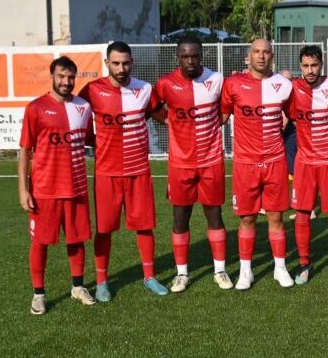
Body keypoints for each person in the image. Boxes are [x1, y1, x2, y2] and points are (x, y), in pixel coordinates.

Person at [79, 42, 167, 301]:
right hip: (107, 172)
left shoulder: (144, 89)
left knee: (145, 226)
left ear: (132, 63)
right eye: (116, 63)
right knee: (104, 229)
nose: (121, 68)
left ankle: (149, 277)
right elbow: (75, 115)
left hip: (138, 170)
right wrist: (93, 140)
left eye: (125, 63)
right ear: (107, 63)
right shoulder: (92, 90)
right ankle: (102, 282)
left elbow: (164, 116)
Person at [18, 56, 96, 314]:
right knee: (40, 242)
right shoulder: (36, 108)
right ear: (52, 76)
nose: (66, 82)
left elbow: (92, 139)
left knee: (77, 239)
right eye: (61, 76)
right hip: (45, 189)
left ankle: (78, 287)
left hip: (76, 187)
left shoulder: (83, 106)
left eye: (71, 77)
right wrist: (23, 189)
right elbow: (25, 150)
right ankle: (38, 294)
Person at [153, 40, 232, 292]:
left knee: (215, 215)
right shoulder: (166, 83)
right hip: (180, 163)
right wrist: (169, 121)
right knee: (180, 218)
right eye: (185, 56)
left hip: (211, 161)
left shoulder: (216, 80)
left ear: (201, 56)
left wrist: (212, 124)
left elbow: (225, 110)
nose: (190, 61)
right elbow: (152, 107)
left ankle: (220, 270)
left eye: (194, 56)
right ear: (178, 57)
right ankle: (182, 274)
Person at [220, 39, 294, 290]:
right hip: (245, 163)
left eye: (266, 52)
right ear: (248, 56)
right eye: (256, 52)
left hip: (275, 161)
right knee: (247, 219)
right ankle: (246, 271)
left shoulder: (284, 85)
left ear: (272, 56)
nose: (261, 56)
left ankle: (280, 268)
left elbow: (296, 115)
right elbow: (220, 116)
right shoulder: (233, 84)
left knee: (276, 216)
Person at [286, 45, 328, 284]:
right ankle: (304, 263)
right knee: (302, 213)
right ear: (300, 67)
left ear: (321, 65)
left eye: (314, 65)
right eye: (305, 66)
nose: (310, 70)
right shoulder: (292, 88)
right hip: (305, 162)